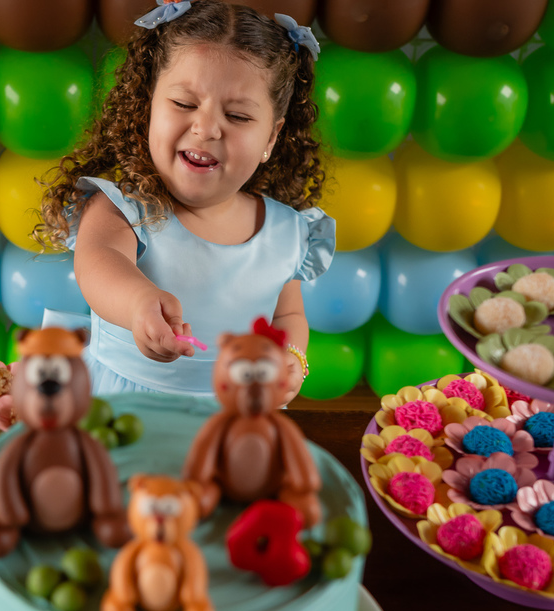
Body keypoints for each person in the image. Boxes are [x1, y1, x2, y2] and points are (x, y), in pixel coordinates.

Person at [36, 0, 334, 404]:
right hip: (123, 404)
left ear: (271, 137)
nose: (206, 128)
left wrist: (292, 355)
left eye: (238, 116)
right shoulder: (125, 207)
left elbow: (288, 316)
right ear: (148, 107)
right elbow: (99, 262)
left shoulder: (288, 231)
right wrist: (138, 303)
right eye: (184, 104)